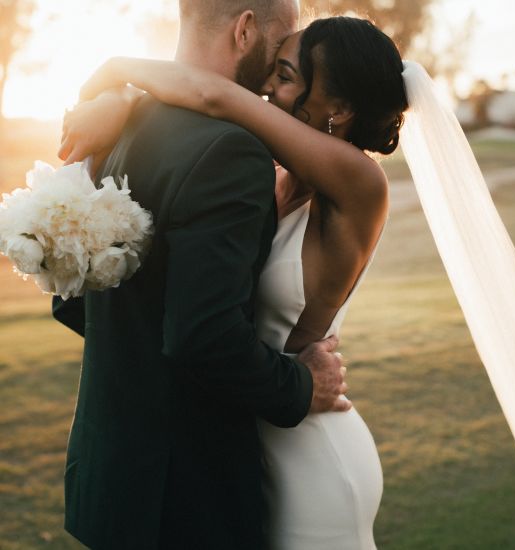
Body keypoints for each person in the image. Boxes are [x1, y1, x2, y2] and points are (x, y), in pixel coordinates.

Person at [61, 14, 408, 550]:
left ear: (337, 108)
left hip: (307, 439)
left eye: (287, 75)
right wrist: (123, 106)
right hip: (248, 430)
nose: (269, 83)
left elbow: (216, 97)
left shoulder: (361, 183)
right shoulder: (274, 174)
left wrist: (118, 72)